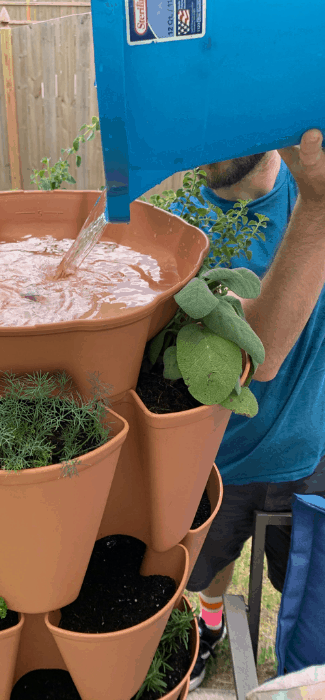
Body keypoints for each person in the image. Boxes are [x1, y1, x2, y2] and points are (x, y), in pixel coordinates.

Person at [185, 129, 325, 690]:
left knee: (302, 582)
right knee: (210, 566)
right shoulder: (180, 225)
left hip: (307, 452)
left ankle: (292, 660)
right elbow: (259, 350)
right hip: (220, 462)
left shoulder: (307, 191)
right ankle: (213, 623)